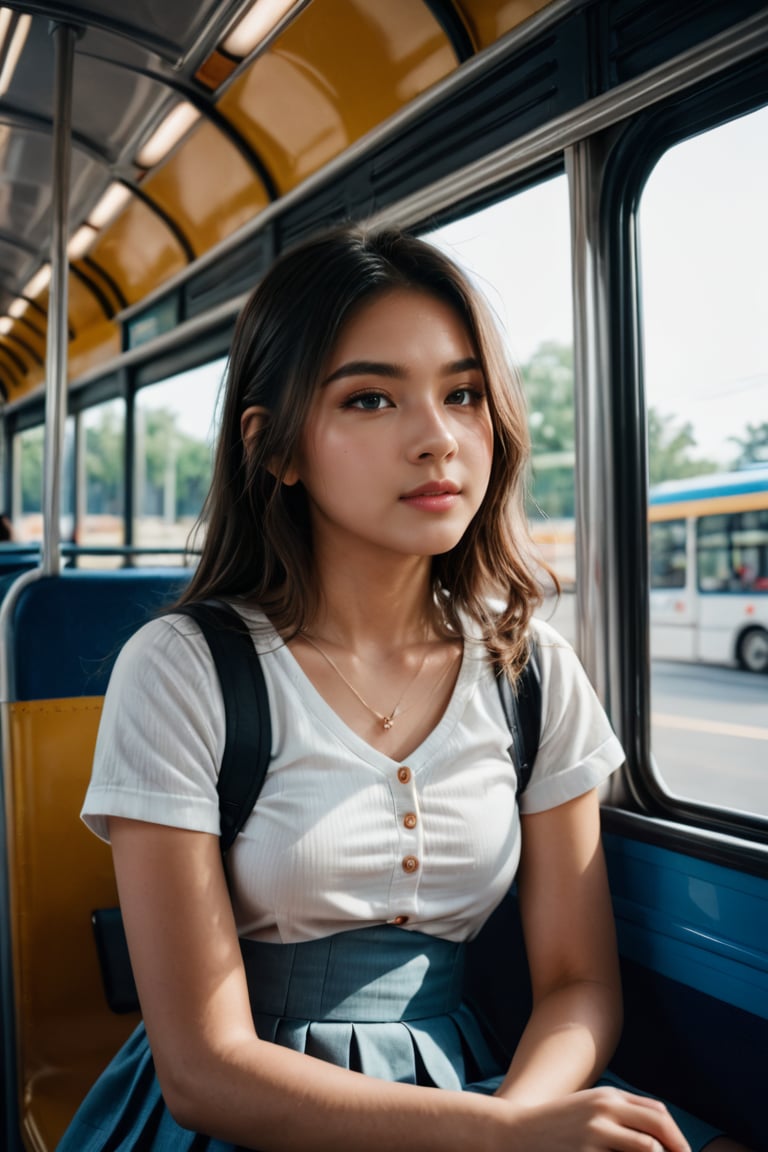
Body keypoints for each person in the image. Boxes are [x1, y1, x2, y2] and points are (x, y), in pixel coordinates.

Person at [58, 226, 748, 1152]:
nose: (438, 439)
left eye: (463, 395)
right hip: (251, 1112)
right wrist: (499, 1140)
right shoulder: (184, 668)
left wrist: (515, 1122)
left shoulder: (532, 671)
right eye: (373, 398)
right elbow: (204, 1068)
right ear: (276, 448)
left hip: (472, 1086)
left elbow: (580, 983)